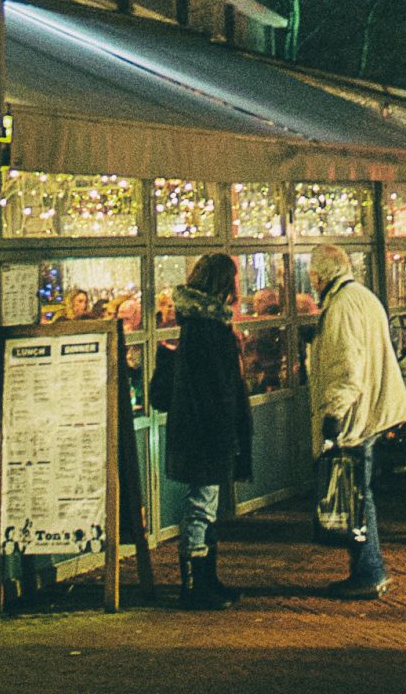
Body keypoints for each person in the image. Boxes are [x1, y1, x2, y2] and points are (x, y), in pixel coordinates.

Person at [307, 242, 406, 600]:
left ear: (320, 275)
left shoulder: (341, 307)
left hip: (355, 417)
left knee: (357, 493)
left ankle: (369, 569)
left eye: (312, 275)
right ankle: (367, 567)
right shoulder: (364, 298)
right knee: (359, 491)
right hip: (369, 410)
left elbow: (346, 368)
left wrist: (333, 415)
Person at [152, 253, 255, 608]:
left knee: (205, 503)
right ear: (225, 284)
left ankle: (207, 579)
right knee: (201, 504)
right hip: (207, 432)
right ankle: (196, 584)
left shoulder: (194, 325)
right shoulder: (208, 330)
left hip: (200, 430)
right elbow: (216, 389)